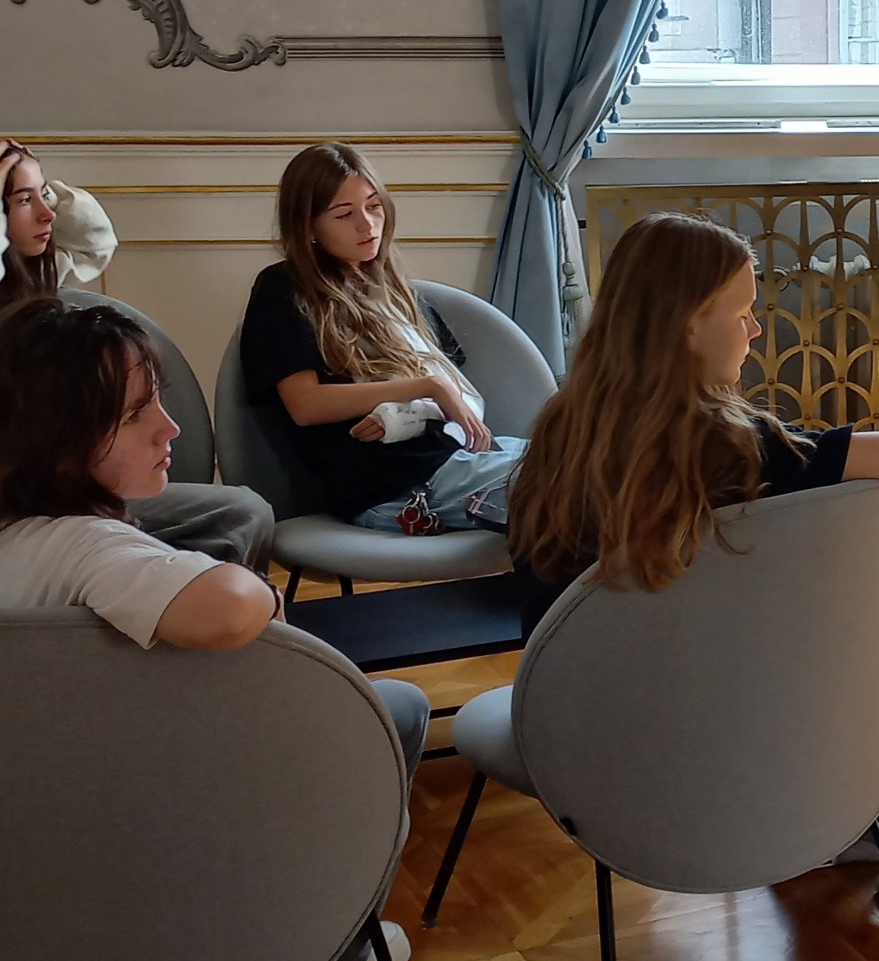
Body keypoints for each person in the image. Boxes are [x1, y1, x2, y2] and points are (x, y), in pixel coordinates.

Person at [510, 211, 879, 905]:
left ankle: (847, 825)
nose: (756, 330)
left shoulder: (560, 430)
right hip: (713, 735)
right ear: (688, 324)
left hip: (576, 722)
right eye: (742, 312)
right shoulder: (731, 443)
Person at [0, 298, 425, 960]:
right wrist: (255, 588)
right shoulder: (83, 546)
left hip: (56, 803)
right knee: (397, 709)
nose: (169, 427)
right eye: (136, 413)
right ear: (55, 440)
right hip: (156, 792)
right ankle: (340, 936)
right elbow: (229, 607)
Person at [2, 138, 273, 568]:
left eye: (45, 196)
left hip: (71, 483)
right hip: (22, 498)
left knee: (241, 513)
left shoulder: (36, 275)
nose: (46, 213)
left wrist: (41, 184)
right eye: (22, 200)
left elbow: (96, 240)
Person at [242, 142, 521, 532]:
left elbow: (460, 401)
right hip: (397, 486)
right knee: (574, 481)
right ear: (308, 226)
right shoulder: (284, 288)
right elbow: (305, 405)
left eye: (374, 207)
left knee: (594, 461)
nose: (367, 224)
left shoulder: (395, 292)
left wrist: (420, 402)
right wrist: (427, 387)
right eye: (344, 214)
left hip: (455, 459)